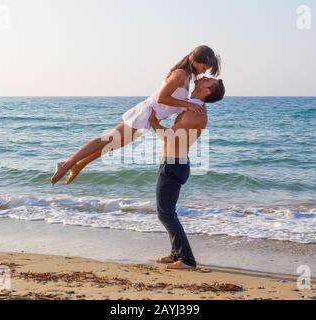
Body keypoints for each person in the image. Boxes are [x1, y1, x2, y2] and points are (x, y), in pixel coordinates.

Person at [50, 45, 221, 186]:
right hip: (145, 113)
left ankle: (79, 165)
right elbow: (162, 97)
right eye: (203, 67)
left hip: (149, 118)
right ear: (195, 60)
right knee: (107, 140)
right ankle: (67, 163)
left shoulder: (188, 77)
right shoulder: (180, 74)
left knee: (112, 144)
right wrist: (188, 104)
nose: (203, 72)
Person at [150, 76, 225, 269]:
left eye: (208, 81)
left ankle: (187, 260)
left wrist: (153, 122)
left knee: (165, 214)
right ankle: (176, 253)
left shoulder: (195, 112)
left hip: (174, 164)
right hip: (174, 163)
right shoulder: (192, 107)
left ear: (207, 91)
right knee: (167, 212)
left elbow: (170, 139)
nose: (204, 77)